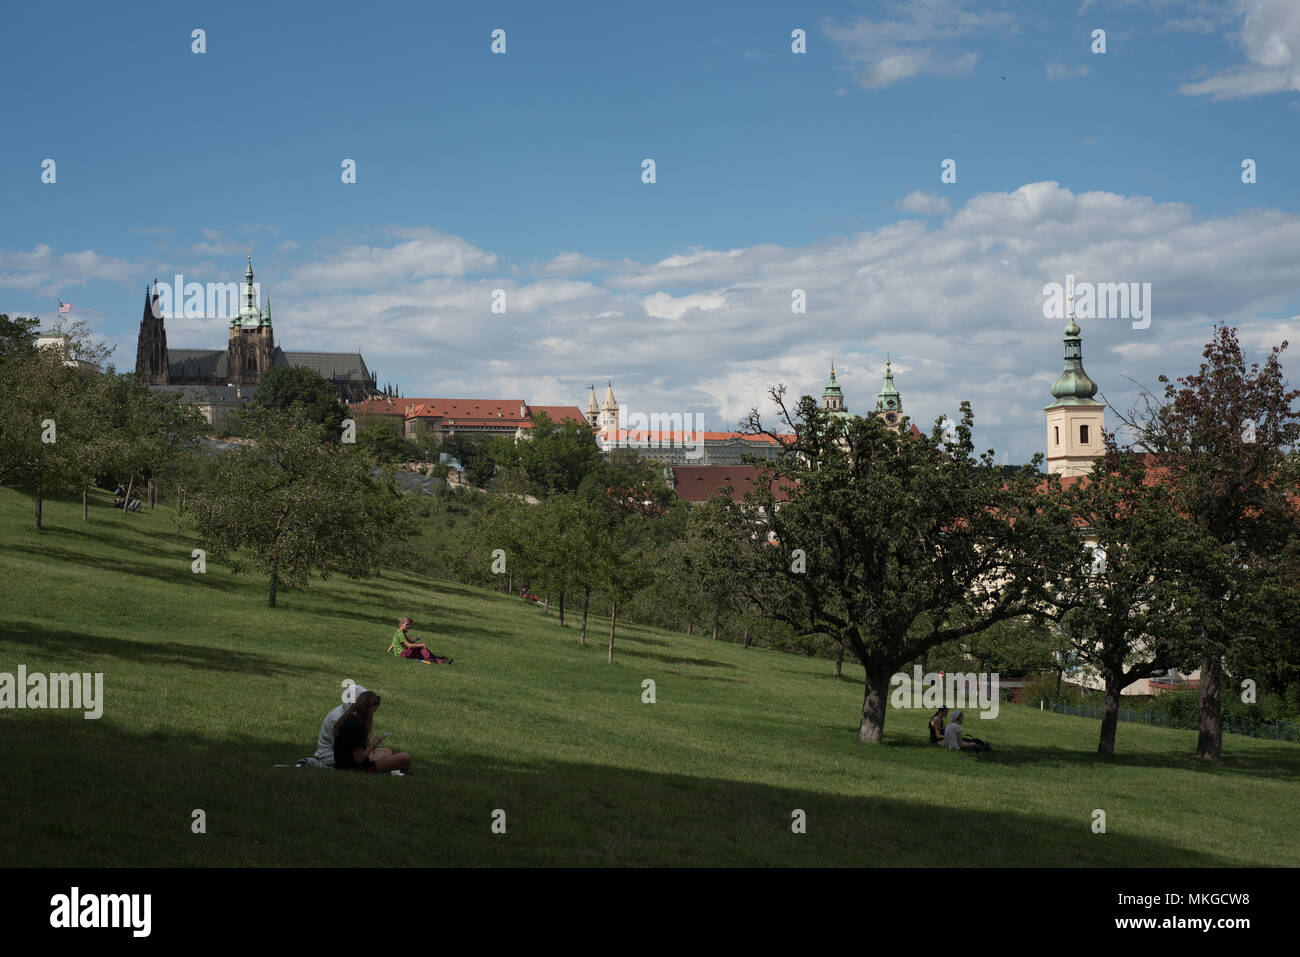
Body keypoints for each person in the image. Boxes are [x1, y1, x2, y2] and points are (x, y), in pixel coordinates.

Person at [333, 691, 411, 773]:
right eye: (373, 711)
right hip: (354, 767)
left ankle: (389, 767)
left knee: (387, 751)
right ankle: (381, 770)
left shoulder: (347, 717)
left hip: (342, 762)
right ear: (368, 708)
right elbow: (359, 758)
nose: (373, 714)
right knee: (405, 757)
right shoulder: (358, 726)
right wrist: (375, 743)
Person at [315, 684, 367, 766]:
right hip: (330, 754)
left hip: (348, 752)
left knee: (384, 752)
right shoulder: (336, 718)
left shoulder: (356, 716)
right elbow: (339, 747)